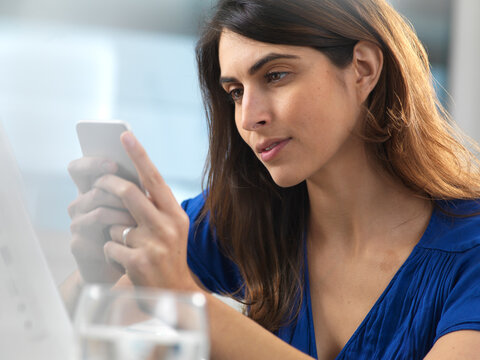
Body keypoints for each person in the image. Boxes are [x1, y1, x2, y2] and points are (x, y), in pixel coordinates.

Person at [65, 0, 480, 358]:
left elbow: (173, 297)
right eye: (235, 92)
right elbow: (53, 328)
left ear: (363, 69)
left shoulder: (470, 249)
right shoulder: (246, 214)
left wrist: (186, 304)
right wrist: (97, 276)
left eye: (276, 75)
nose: (249, 118)